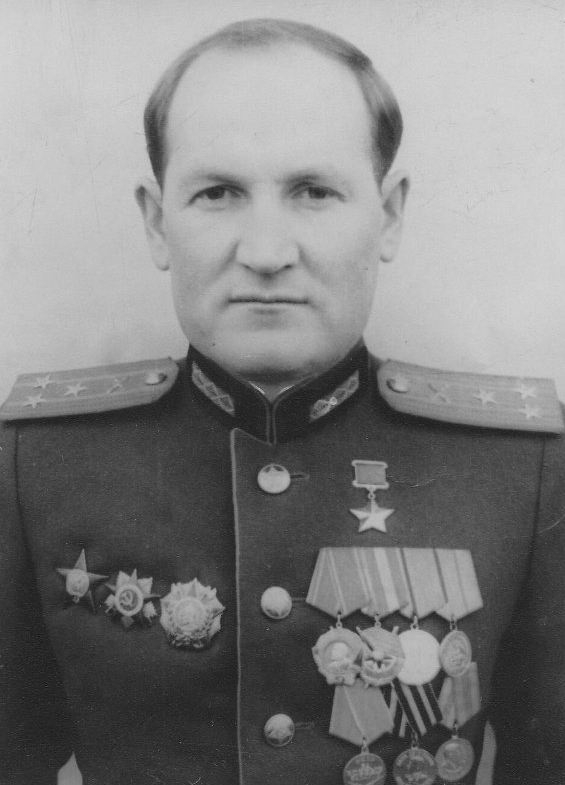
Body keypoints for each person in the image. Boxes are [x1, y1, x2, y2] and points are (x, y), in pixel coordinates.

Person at [0, 17, 564, 785]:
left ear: (389, 214)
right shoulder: (35, 465)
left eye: (313, 191)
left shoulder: (522, 472)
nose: (266, 252)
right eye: (217, 192)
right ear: (157, 221)